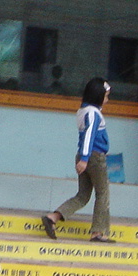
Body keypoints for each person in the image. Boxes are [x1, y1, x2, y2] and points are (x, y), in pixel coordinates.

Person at [41, 77, 114, 243]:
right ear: (98, 95)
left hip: (83, 156)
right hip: (94, 157)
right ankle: (98, 232)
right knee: (103, 194)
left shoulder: (82, 111)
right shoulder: (93, 113)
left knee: (82, 195)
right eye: (106, 96)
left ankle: (53, 217)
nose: (107, 99)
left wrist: (82, 158)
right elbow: (89, 136)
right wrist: (86, 158)